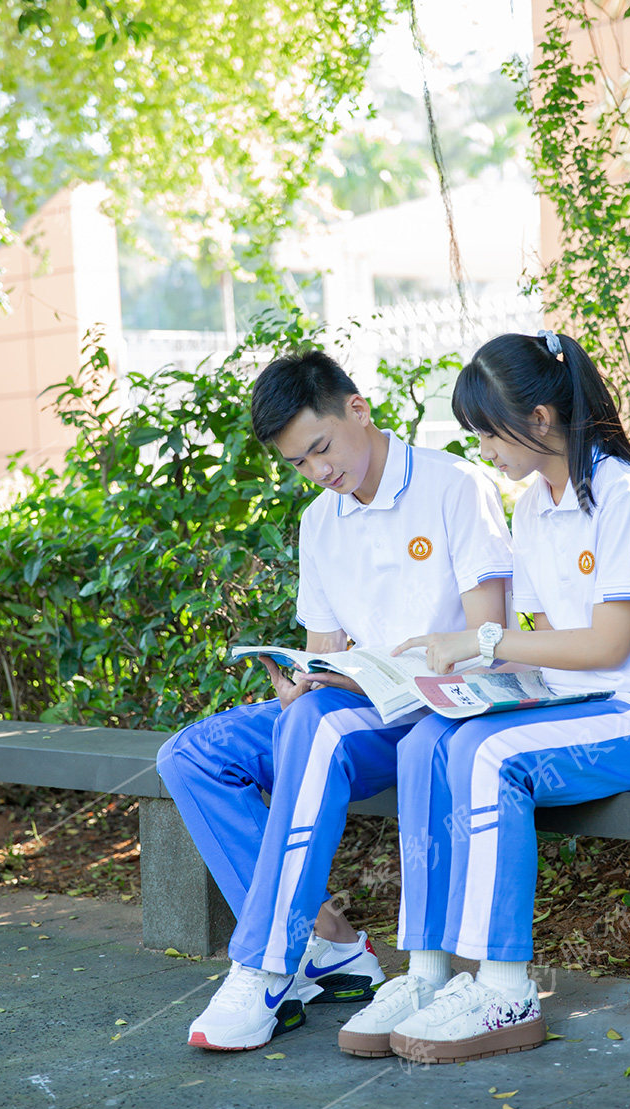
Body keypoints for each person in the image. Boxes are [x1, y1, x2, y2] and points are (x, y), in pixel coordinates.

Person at [338, 330, 630, 1064]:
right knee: (431, 740)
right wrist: (472, 680)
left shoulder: (627, 498)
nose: (484, 450)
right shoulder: (534, 507)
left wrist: (478, 647)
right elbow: (550, 641)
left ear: (540, 419)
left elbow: (607, 646)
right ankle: (425, 970)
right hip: (580, 708)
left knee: (490, 757)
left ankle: (506, 985)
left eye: (488, 432)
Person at [156, 349, 513, 1051]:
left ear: (358, 409)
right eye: (298, 464)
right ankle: (332, 946)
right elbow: (324, 650)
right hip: (349, 711)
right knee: (190, 754)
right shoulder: (321, 522)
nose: (318, 472)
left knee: (317, 725)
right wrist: (300, 681)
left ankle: (263, 965)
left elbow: (484, 640)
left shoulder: (455, 487)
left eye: (319, 449)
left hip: (433, 715)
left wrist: (338, 690)